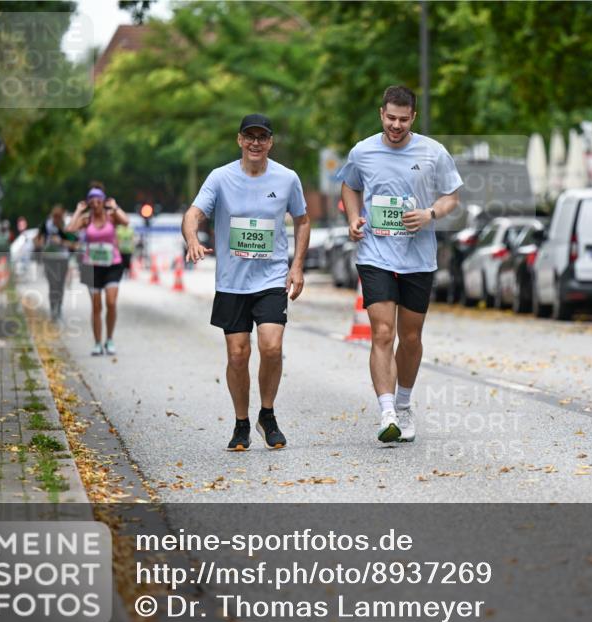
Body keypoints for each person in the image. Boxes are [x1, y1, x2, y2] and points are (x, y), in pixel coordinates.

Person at [339, 85, 462, 444]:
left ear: (414, 118)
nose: (396, 125)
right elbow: (349, 187)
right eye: (390, 118)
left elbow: (452, 196)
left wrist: (430, 213)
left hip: (418, 258)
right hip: (375, 255)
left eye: (403, 120)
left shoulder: (433, 152)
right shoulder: (362, 151)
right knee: (382, 333)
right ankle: (387, 410)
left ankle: (405, 405)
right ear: (381, 114)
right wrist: (352, 218)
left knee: (410, 337)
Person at [183, 114, 310, 452]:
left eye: (262, 137)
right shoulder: (220, 177)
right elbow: (193, 213)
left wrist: (296, 266)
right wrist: (192, 239)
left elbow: (302, 219)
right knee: (238, 355)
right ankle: (241, 423)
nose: (256, 142)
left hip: (270, 278)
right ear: (239, 140)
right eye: (249, 136)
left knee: (271, 347)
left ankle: (266, 414)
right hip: (232, 283)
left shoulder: (286, 178)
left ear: (270, 142)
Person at [67, 186, 130, 356]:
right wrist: (78, 211)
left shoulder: (111, 217)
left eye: (98, 200)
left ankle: (109, 339)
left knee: (110, 303)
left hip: (112, 265)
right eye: (92, 201)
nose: (95, 204)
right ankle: (97, 343)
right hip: (91, 266)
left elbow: (126, 221)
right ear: (88, 203)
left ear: (103, 201)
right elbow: (70, 230)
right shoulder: (86, 220)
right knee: (96, 306)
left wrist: (115, 207)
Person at [33, 204, 79, 320]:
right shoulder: (46, 225)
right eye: (55, 217)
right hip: (49, 259)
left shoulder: (66, 228)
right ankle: (53, 307)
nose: (56, 219)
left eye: (59, 217)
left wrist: (61, 242)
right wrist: (41, 243)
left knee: (60, 284)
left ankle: (59, 307)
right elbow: (37, 240)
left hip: (62, 259)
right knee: (52, 284)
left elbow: (74, 244)